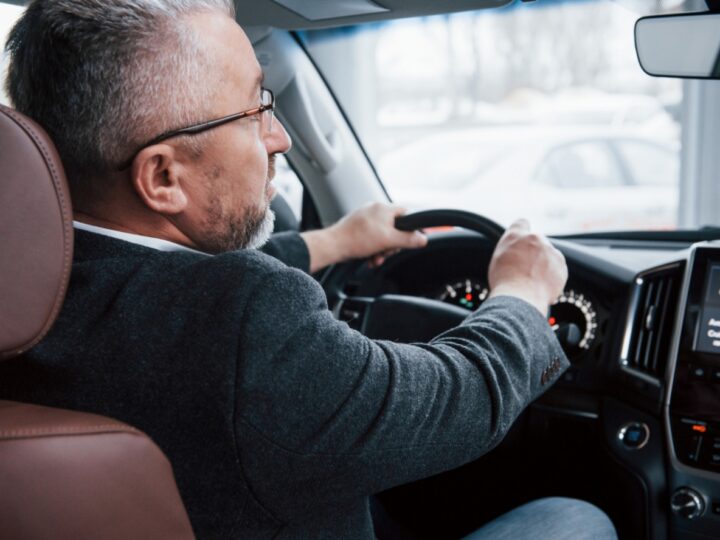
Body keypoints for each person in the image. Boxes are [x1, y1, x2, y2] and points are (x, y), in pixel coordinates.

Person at [0, 1, 616, 539]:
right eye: (254, 110)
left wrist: (335, 240)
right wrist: (522, 294)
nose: (280, 138)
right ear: (163, 178)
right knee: (579, 518)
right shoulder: (244, 322)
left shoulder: (35, 292)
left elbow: (171, 282)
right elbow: (458, 397)